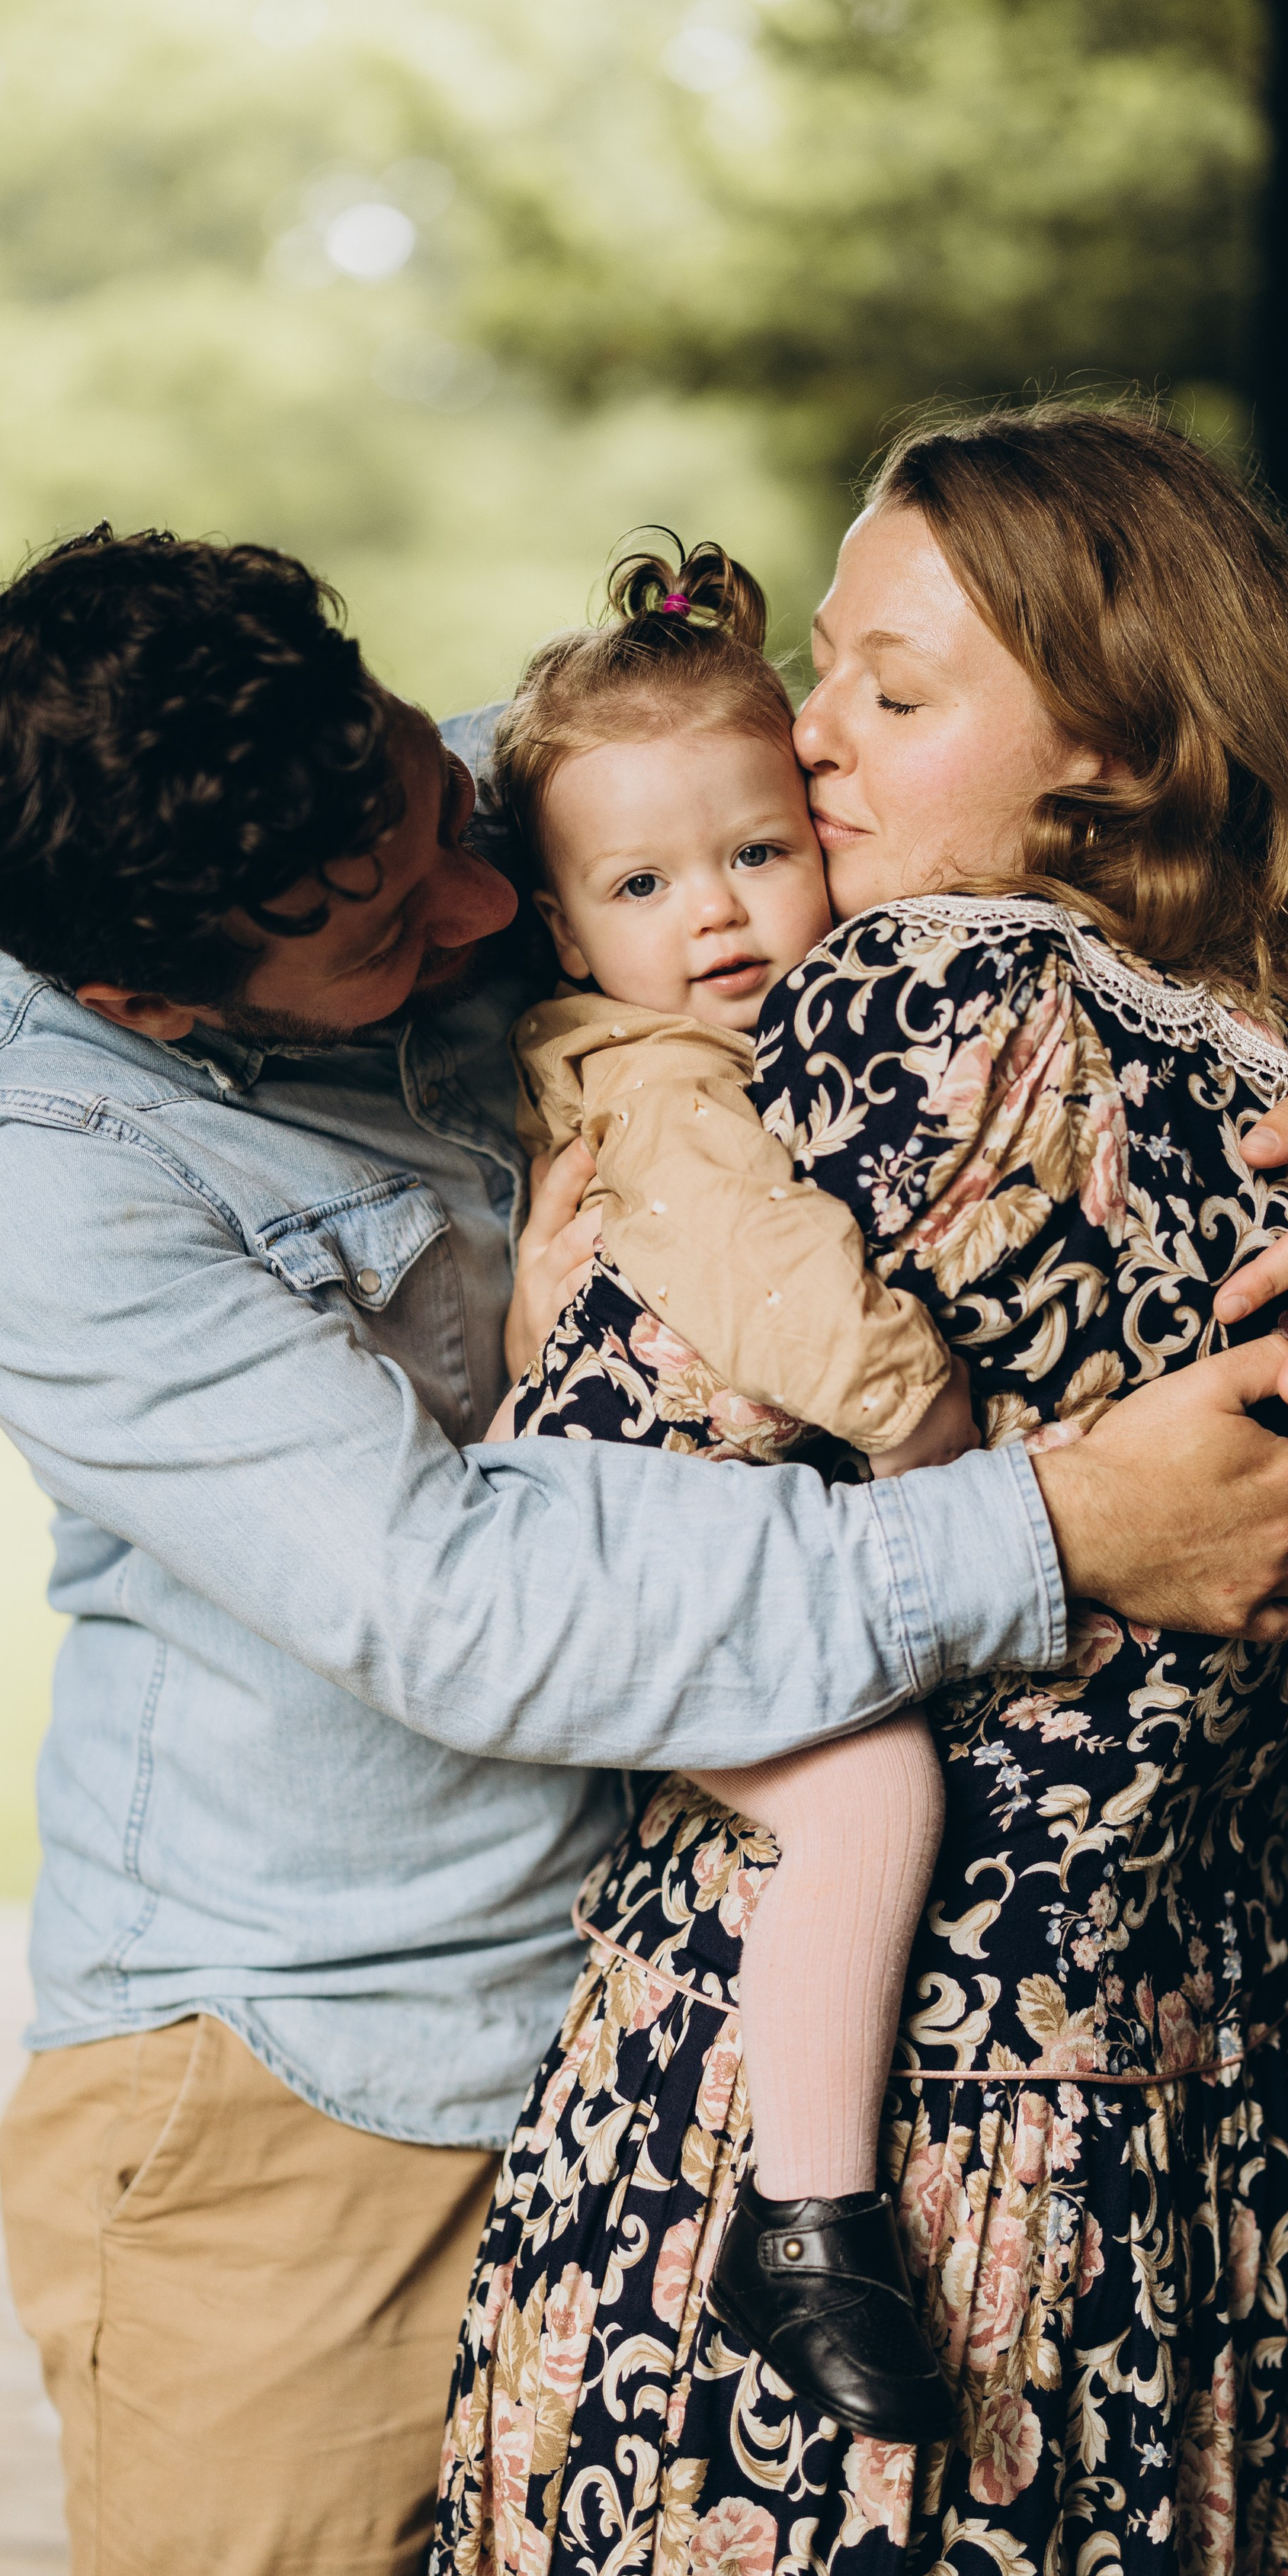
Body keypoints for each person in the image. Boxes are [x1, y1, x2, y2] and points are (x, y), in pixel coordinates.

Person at [0, 519, 1288, 2576]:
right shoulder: (25, 1160)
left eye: (435, 815)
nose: (471, 905)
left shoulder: (474, 805)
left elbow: (1139, 771)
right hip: (315, 2083)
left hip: (636, 2034)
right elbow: (460, 1604)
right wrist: (1056, 1528)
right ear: (152, 999)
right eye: (377, 930)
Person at [415, 406, 1288, 2576]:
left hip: (848, 2153)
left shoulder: (933, 1011)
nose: (803, 743)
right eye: (822, 665)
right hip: (1214, 2158)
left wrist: (541, 1338)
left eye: (895, 698)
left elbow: (564, 1557)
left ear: (1111, 756)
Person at [492, 530, 1010, 2449]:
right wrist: (925, 1422)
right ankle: (806, 2217)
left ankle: (801, 2201)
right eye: (640, 883)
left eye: (753, 854)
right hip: (625, 1576)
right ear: (561, 927)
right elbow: (769, 1288)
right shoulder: (665, 1091)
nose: (710, 912)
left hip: (635, 1553)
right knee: (870, 1780)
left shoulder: (718, 1035)